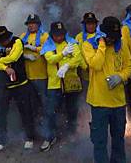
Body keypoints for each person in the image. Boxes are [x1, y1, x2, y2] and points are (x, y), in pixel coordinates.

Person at [83, 16, 131, 163]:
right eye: (109, 37)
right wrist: (102, 45)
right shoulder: (88, 45)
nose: (113, 40)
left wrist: (120, 77)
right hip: (99, 103)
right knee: (99, 142)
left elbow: (129, 66)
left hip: (118, 103)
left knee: (118, 140)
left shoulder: (121, 44)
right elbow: (96, 65)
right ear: (102, 34)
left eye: (115, 37)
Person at [0, 26, 35, 152]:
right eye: (1, 40)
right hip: (4, 85)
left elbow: (13, 57)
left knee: (26, 112)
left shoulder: (17, 41)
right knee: (0, 113)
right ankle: (1, 140)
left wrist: (0, 61)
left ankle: (29, 138)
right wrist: (5, 68)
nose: (3, 42)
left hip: (21, 84)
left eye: (5, 38)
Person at [40, 21, 81, 152]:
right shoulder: (48, 45)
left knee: (72, 110)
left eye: (61, 34)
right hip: (54, 84)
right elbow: (50, 59)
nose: (59, 37)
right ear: (52, 35)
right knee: (50, 111)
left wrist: (67, 65)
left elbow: (78, 58)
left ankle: (72, 134)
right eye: (57, 34)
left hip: (70, 83)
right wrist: (62, 54)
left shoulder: (72, 42)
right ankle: (50, 137)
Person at [20, 14, 49, 137]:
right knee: (31, 106)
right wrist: (25, 55)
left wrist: (33, 48)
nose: (31, 25)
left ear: (38, 24)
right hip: (28, 77)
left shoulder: (45, 36)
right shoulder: (22, 36)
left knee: (45, 104)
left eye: (33, 23)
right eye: (29, 23)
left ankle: (47, 130)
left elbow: (47, 49)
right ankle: (34, 131)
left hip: (41, 76)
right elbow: (16, 50)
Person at [75, 12, 99, 98]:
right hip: (85, 74)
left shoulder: (100, 36)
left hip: (99, 73)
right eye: (88, 24)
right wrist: (85, 67)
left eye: (93, 23)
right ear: (84, 25)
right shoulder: (79, 37)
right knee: (86, 96)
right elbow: (77, 54)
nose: (91, 26)